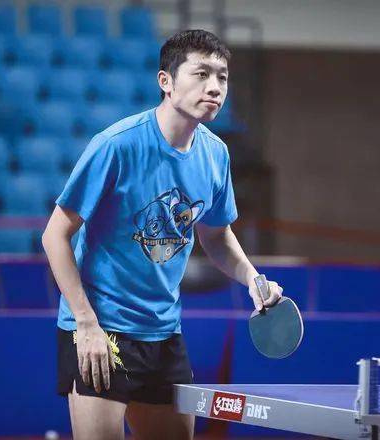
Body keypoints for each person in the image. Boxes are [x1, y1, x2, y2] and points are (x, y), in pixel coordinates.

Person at [41, 29, 283, 440]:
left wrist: (252, 279)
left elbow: (216, 236)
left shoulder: (215, 154)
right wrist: (85, 322)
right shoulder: (116, 146)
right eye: (201, 73)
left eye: (222, 77)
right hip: (103, 328)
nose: (214, 86)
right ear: (166, 81)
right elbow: (54, 235)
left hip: (164, 333)